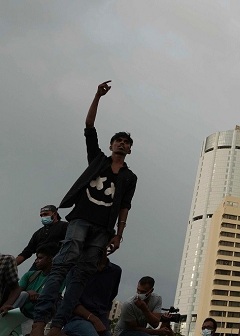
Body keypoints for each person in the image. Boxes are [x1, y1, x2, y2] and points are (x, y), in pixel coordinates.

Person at [31, 80, 138, 336]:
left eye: (126, 142)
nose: (122, 144)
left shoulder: (129, 178)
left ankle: (57, 325)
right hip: (80, 220)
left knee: (81, 276)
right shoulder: (98, 160)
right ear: (112, 145)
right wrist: (97, 96)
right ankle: (38, 323)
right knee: (62, 265)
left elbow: (125, 207)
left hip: (103, 229)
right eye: (118, 141)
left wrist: (119, 234)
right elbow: (89, 127)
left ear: (130, 149)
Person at [61, 251, 121, 336]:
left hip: (100, 322)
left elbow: (109, 302)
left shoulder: (115, 272)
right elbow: (71, 301)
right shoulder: (77, 267)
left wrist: (104, 324)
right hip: (76, 319)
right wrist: (94, 319)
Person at [0, 244, 59, 323]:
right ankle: (8, 315)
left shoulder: (57, 279)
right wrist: (28, 293)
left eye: (40, 258)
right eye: (36, 258)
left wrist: (38, 296)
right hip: (23, 314)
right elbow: (17, 291)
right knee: (24, 294)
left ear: (50, 259)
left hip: (41, 316)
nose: (36, 261)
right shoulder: (30, 275)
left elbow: (53, 295)